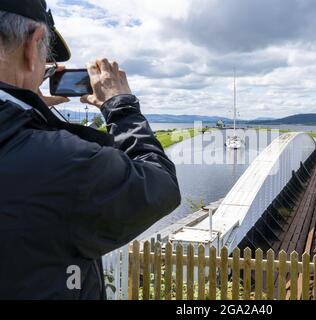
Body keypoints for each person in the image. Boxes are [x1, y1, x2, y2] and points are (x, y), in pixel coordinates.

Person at [0, 0, 181, 299]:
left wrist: (26, 111)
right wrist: (121, 106)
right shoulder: (60, 161)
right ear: (32, 46)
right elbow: (160, 185)